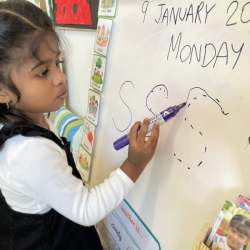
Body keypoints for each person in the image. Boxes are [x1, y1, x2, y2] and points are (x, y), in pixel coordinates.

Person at [0, 1, 160, 249]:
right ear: (2, 92)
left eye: (57, 63)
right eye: (43, 72)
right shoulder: (28, 152)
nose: (60, 77)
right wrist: (135, 164)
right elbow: (86, 210)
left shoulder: (29, 117)